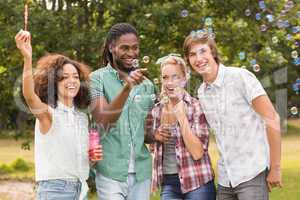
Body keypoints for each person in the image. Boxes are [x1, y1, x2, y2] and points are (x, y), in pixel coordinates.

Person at [183, 30, 282, 200]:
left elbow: (272, 118)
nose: (198, 59)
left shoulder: (240, 77)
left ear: (213, 52)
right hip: (226, 180)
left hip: (252, 174)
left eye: (203, 51)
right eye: (192, 54)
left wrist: (276, 168)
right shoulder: (202, 92)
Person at [15, 29, 102, 200]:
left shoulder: (82, 117)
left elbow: (79, 160)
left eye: (76, 77)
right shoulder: (48, 113)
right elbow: (30, 97)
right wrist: (27, 58)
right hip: (55, 191)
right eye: (64, 77)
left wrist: (92, 158)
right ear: (53, 82)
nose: (72, 81)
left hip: (80, 189)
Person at [89, 23, 155, 200]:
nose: (131, 53)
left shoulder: (148, 85)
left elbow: (146, 133)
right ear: (112, 47)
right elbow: (103, 122)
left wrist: (157, 134)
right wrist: (128, 87)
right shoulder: (97, 79)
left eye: (135, 48)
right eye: (124, 48)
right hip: (111, 171)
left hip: (142, 171)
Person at [145, 54, 216, 200]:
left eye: (175, 77)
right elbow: (154, 149)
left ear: (184, 79)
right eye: (165, 77)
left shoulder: (196, 106)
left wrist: (182, 117)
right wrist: (155, 136)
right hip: (169, 183)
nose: (169, 82)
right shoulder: (156, 109)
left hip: (197, 180)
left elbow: (197, 153)